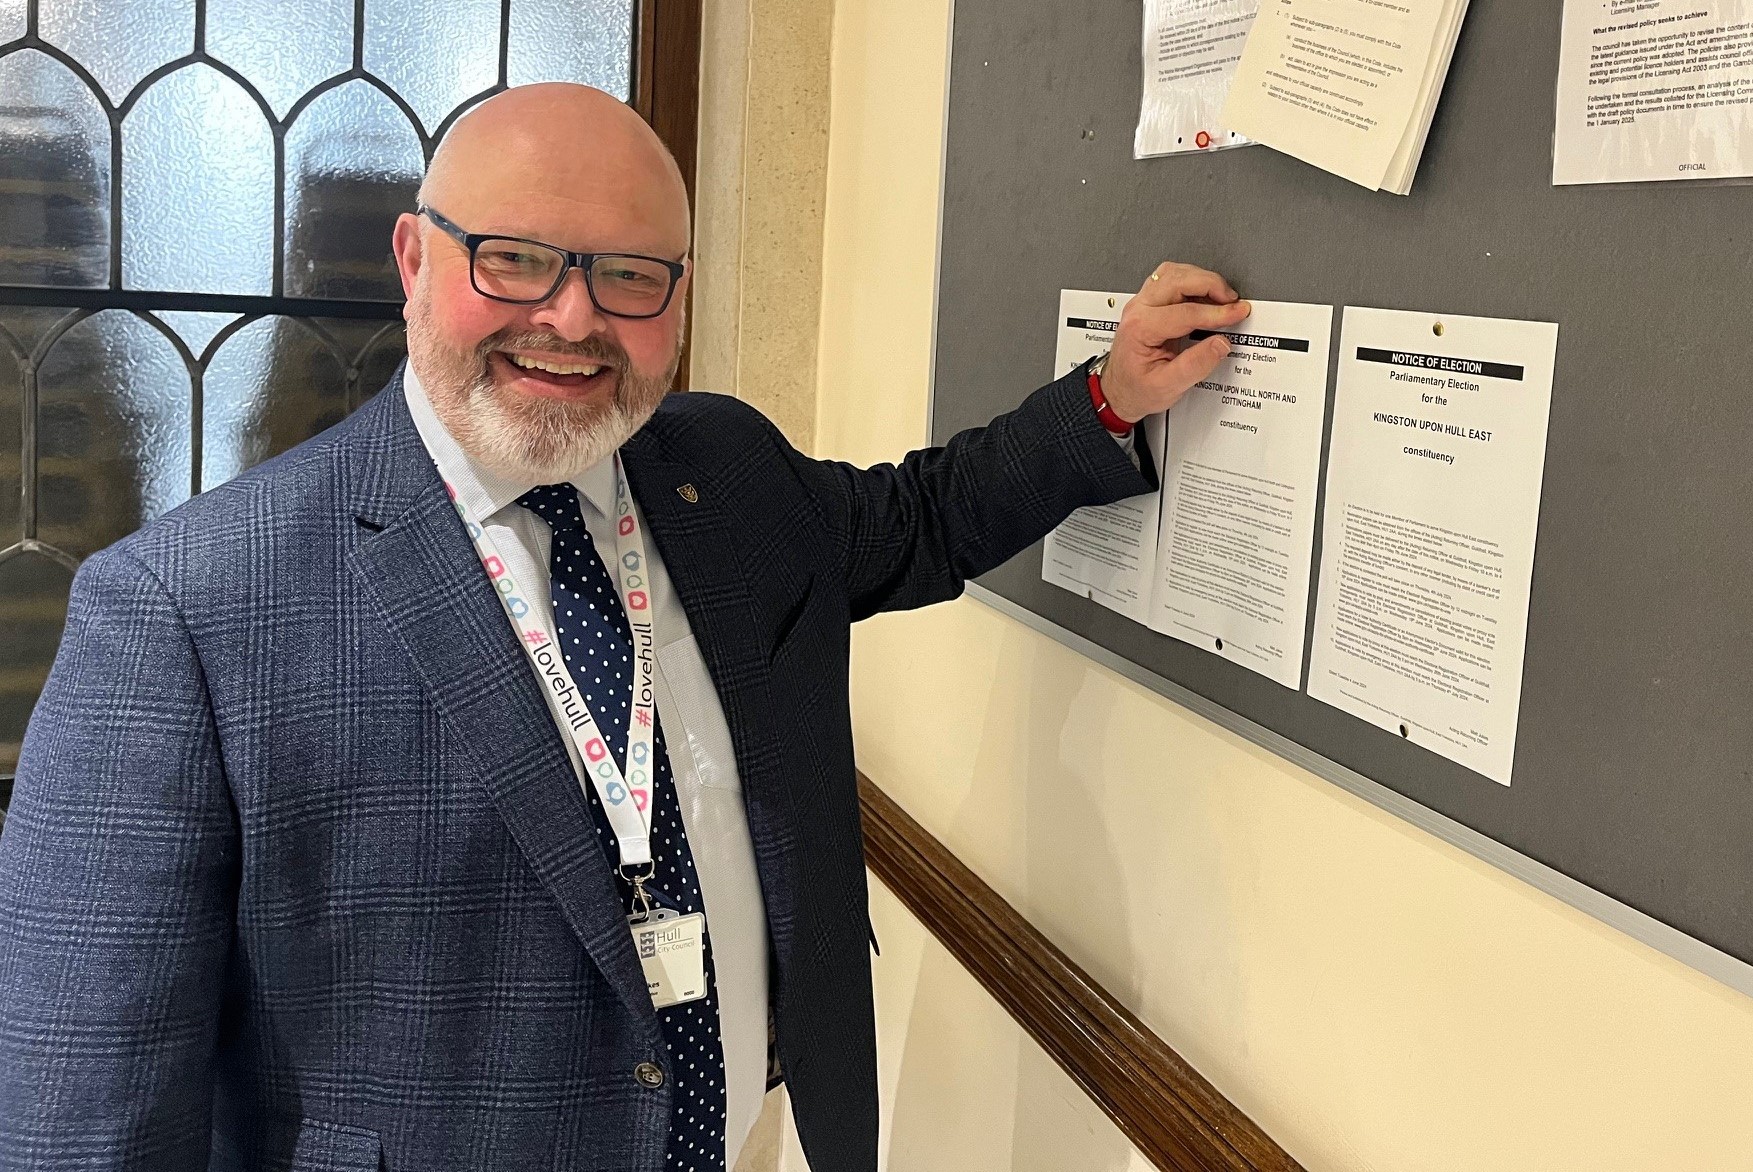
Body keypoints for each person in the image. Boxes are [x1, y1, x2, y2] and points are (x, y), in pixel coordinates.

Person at [0, 83, 1248, 1171]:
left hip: (750, 1132)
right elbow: (86, 1116)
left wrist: (1109, 395)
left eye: (629, 274)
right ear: (414, 258)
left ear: (680, 293)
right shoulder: (182, 612)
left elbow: (916, 517)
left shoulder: (725, 468)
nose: (575, 318)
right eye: (513, 258)